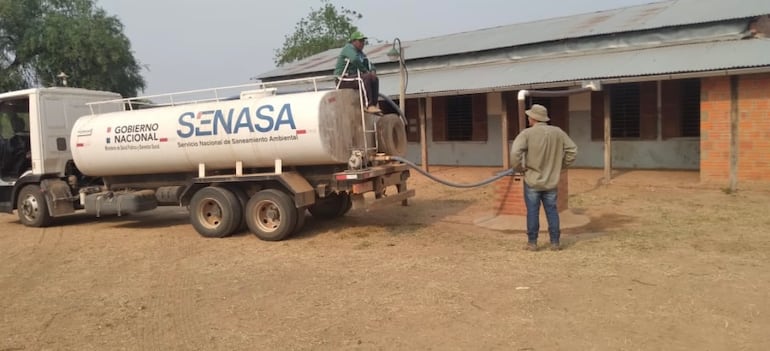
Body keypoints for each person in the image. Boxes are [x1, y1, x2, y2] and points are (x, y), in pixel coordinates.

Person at [510, 104, 578, 251]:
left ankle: (532, 243)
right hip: (551, 181)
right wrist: (561, 166)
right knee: (552, 210)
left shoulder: (526, 134)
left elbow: (515, 153)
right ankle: (555, 242)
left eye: (529, 116)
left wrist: (519, 168)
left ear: (533, 118)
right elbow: (572, 150)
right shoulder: (558, 132)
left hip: (532, 180)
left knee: (532, 212)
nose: (528, 118)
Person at [334, 31, 381, 114]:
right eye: (360, 41)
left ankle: (373, 105)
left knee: (374, 78)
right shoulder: (348, 48)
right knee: (365, 77)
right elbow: (354, 59)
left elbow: (369, 64)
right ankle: (368, 105)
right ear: (353, 41)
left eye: (363, 41)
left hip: (353, 78)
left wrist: (373, 71)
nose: (362, 43)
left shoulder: (361, 54)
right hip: (342, 79)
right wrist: (365, 71)